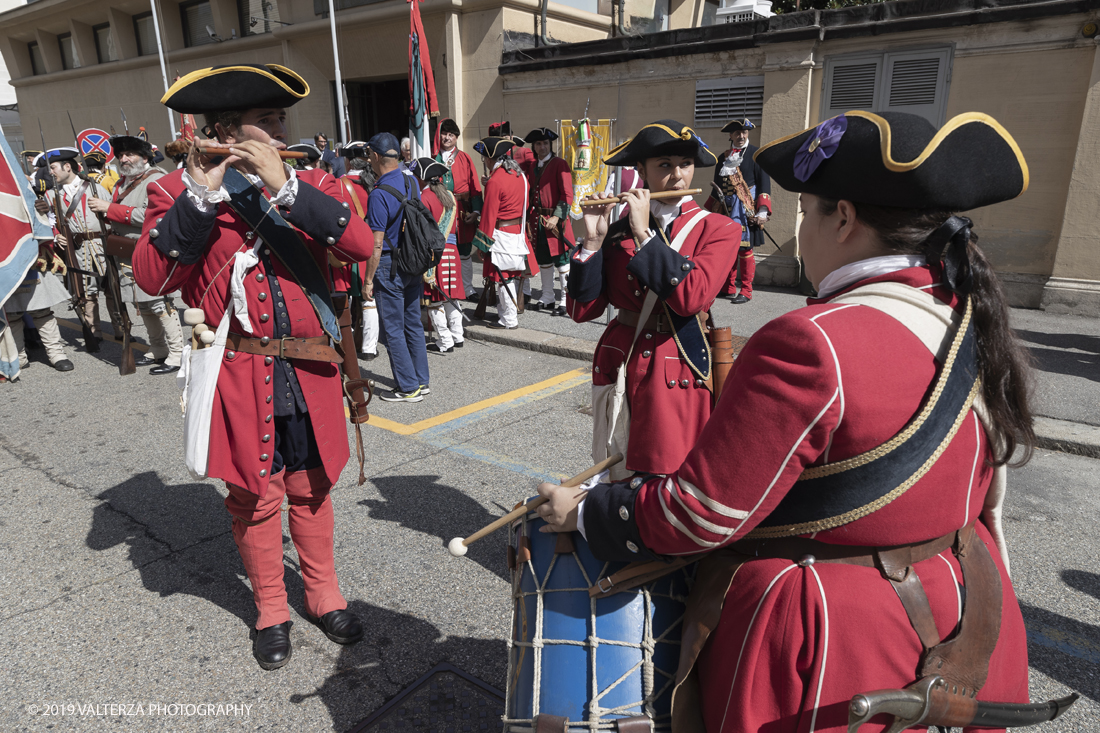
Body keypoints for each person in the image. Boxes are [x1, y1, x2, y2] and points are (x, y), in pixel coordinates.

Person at [539, 111, 1034, 732]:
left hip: (833, 638)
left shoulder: (810, 340)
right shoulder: (967, 315)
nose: (798, 227)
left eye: (807, 211)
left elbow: (701, 512)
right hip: (956, 604)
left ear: (845, 219)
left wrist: (586, 510)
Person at [132, 63, 373, 671]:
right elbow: (152, 277)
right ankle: (270, 607)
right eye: (265, 121)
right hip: (241, 371)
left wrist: (288, 188)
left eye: (279, 118)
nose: (279, 129)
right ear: (223, 132)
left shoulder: (314, 180)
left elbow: (361, 246)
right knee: (254, 498)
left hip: (312, 370)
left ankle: (322, 594)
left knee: (312, 488)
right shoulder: (175, 191)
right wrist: (201, 195)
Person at [566, 120, 740, 478]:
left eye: (685, 164)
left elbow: (691, 299)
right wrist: (593, 242)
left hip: (678, 364)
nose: (677, 176)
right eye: (664, 165)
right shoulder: (615, 233)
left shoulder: (720, 228)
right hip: (621, 360)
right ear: (641, 171)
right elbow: (582, 311)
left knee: (669, 473)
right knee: (616, 470)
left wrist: (644, 234)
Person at [88, 134, 184, 375]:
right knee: (142, 304)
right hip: (127, 252)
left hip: (150, 251)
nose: (124, 159)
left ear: (144, 157)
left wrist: (110, 208)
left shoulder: (157, 179)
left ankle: (177, 353)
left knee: (160, 303)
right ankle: (158, 348)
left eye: (130, 154)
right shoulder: (122, 183)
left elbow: (153, 217)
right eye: (121, 155)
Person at [363, 131, 430, 402]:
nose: (368, 160)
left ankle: (407, 387)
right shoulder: (412, 181)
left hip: (390, 263)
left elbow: (376, 243)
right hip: (413, 260)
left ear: (376, 156)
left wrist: (368, 279)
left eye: (369, 155)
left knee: (392, 328)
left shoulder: (379, 193)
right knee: (413, 323)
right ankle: (421, 380)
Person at [35, 148, 112, 351]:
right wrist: (54, 234)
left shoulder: (95, 188)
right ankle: (94, 330)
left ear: (67, 167)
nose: (50, 172)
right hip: (76, 248)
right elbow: (46, 222)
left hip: (101, 245)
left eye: (53, 168)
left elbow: (112, 213)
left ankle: (121, 328)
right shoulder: (51, 195)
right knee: (85, 291)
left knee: (112, 288)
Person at [704, 118, 772, 303]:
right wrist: (709, 212)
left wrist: (762, 211)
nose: (741, 136)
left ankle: (747, 291)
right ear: (730, 136)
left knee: (744, 249)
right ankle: (729, 287)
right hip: (725, 209)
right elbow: (717, 187)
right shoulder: (723, 158)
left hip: (745, 209)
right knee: (728, 249)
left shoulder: (756, 154)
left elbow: (764, 183)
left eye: (744, 132)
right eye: (737, 133)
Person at [473, 136, 537, 330]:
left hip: (500, 232)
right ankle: (506, 313)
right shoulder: (521, 176)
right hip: (517, 231)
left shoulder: (495, 180)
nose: (484, 161)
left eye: (484, 158)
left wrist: (482, 244)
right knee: (511, 275)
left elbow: (489, 214)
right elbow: (525, 205)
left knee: (504, 277)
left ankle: (509, 318)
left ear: (491, 159)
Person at [523, 128, 574, 316]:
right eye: (538, 144)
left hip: (555, 220)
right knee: (544, 260)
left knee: (561, 261)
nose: (542, 147)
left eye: (545, 143)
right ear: (534, 147)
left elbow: (567, 193)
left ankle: (565, 300)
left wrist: (557, 216)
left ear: (550, 145)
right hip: (538, 220)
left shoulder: (559, 163)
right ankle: (547, 297)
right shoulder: (533, 165)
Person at [415, 157, 464, 353]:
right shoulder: (450, 196)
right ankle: (458, 336)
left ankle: (445, 341)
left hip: (436, 255)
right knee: (452, 297)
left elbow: (422, 231)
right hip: (453, 252)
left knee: (435, 300)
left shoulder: (423, 198)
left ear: (421, 178)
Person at [434, 118, 482, 302]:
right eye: (444, 134)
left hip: (462, 212)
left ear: (456, 138)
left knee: (463, 251)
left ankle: (468, 289)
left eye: (451, 135)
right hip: (440, 211)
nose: (447, 138)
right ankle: (445, 286)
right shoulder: (433, 158)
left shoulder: (465, 158)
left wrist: (476, 211)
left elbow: (475, 188)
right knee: (443, 250)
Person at [339, 141, 379, 360]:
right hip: (372, 247)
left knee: (344, 299)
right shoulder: (376, 184)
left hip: (347, 251)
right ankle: (370, 348)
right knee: (369, 299)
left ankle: (348, 344)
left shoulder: (338, 184)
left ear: (347, 161)